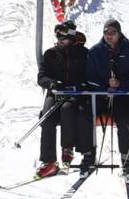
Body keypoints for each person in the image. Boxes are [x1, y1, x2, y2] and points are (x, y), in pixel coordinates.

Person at [36, 20, 95, 176]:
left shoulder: (83, 53)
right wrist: (52, 84)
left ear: (72, 38)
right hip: (55, 93)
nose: (60, 41)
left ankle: (67, 149)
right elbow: (41, 77)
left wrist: (80, 85)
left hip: (74, 94)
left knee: (68, 109)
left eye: (63, 38)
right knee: (46, 116)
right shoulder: (50, 54)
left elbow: (89, 75)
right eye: (58, 37)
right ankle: (48, 161)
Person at [87, 18, 129, 167]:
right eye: (106, 32)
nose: (109, 35)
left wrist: (121, 85)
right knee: (84, 114)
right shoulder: (95, 51)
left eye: (113, 32)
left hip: (122, 95)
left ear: (119, 33)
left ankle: (128, 156)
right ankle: (87, 154)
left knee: (124, 118)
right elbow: (90, 77)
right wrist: (104, 89)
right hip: (101, 95)